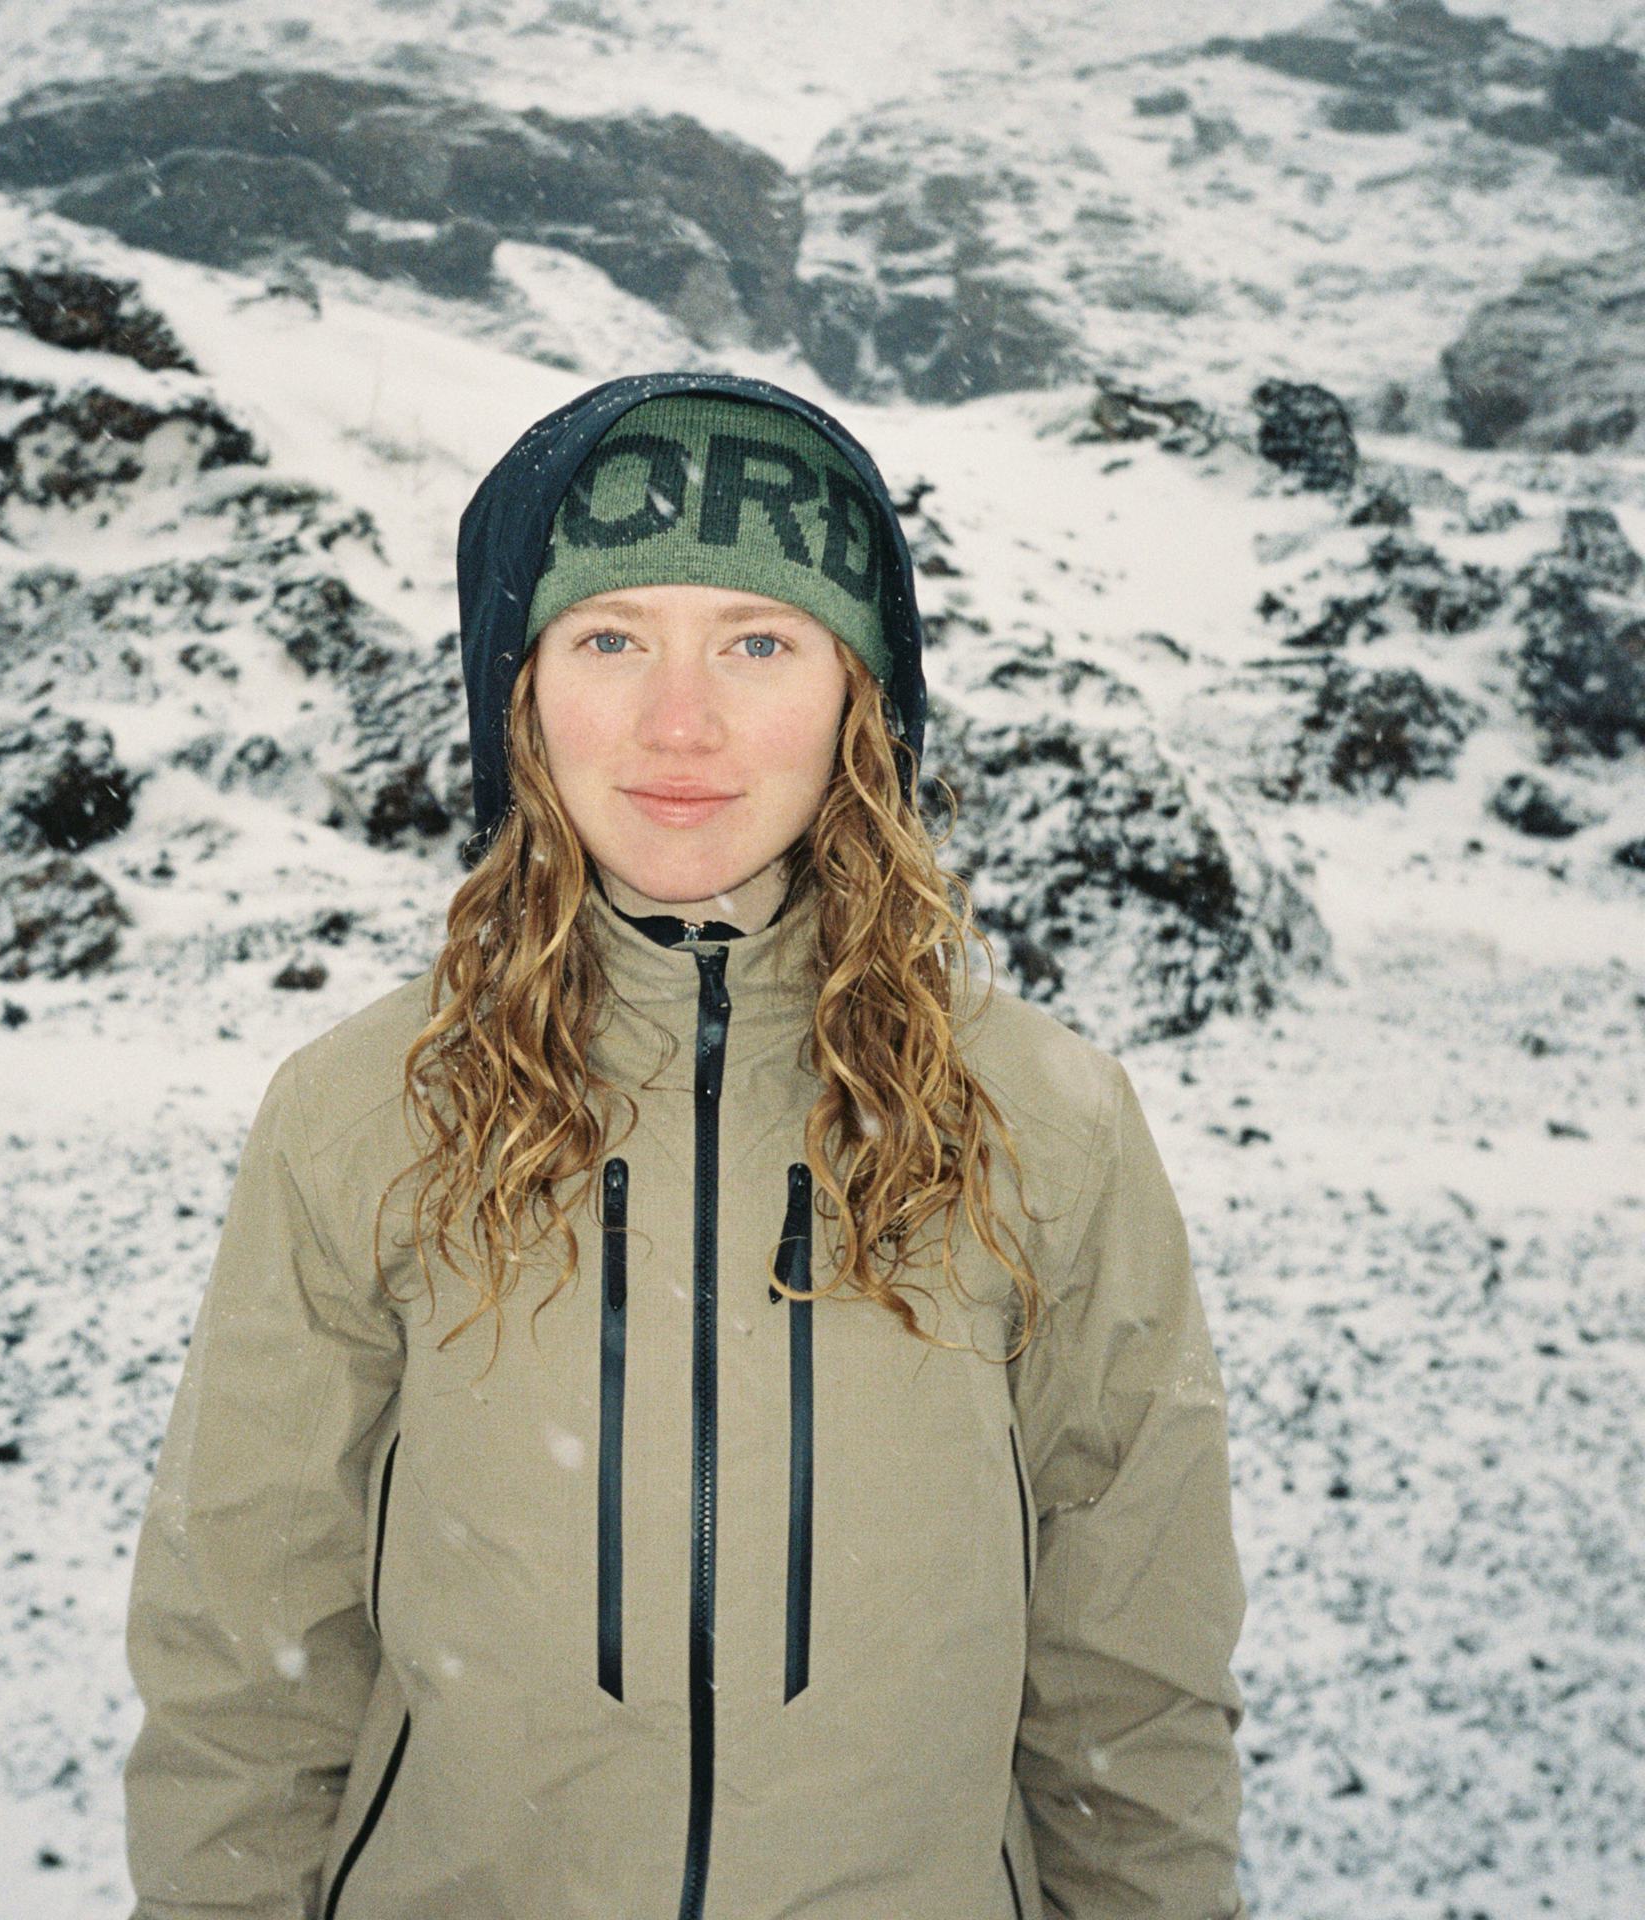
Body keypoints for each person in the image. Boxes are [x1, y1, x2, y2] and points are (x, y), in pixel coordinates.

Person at [122, 371, 1249, 1920]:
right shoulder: (361, 1110)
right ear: (519, 693)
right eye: (609, 639)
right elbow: (245, 1655)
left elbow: (1135, 1681)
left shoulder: (1049, 1124)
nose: (678, 723)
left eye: (759, 642)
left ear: (863, 696)